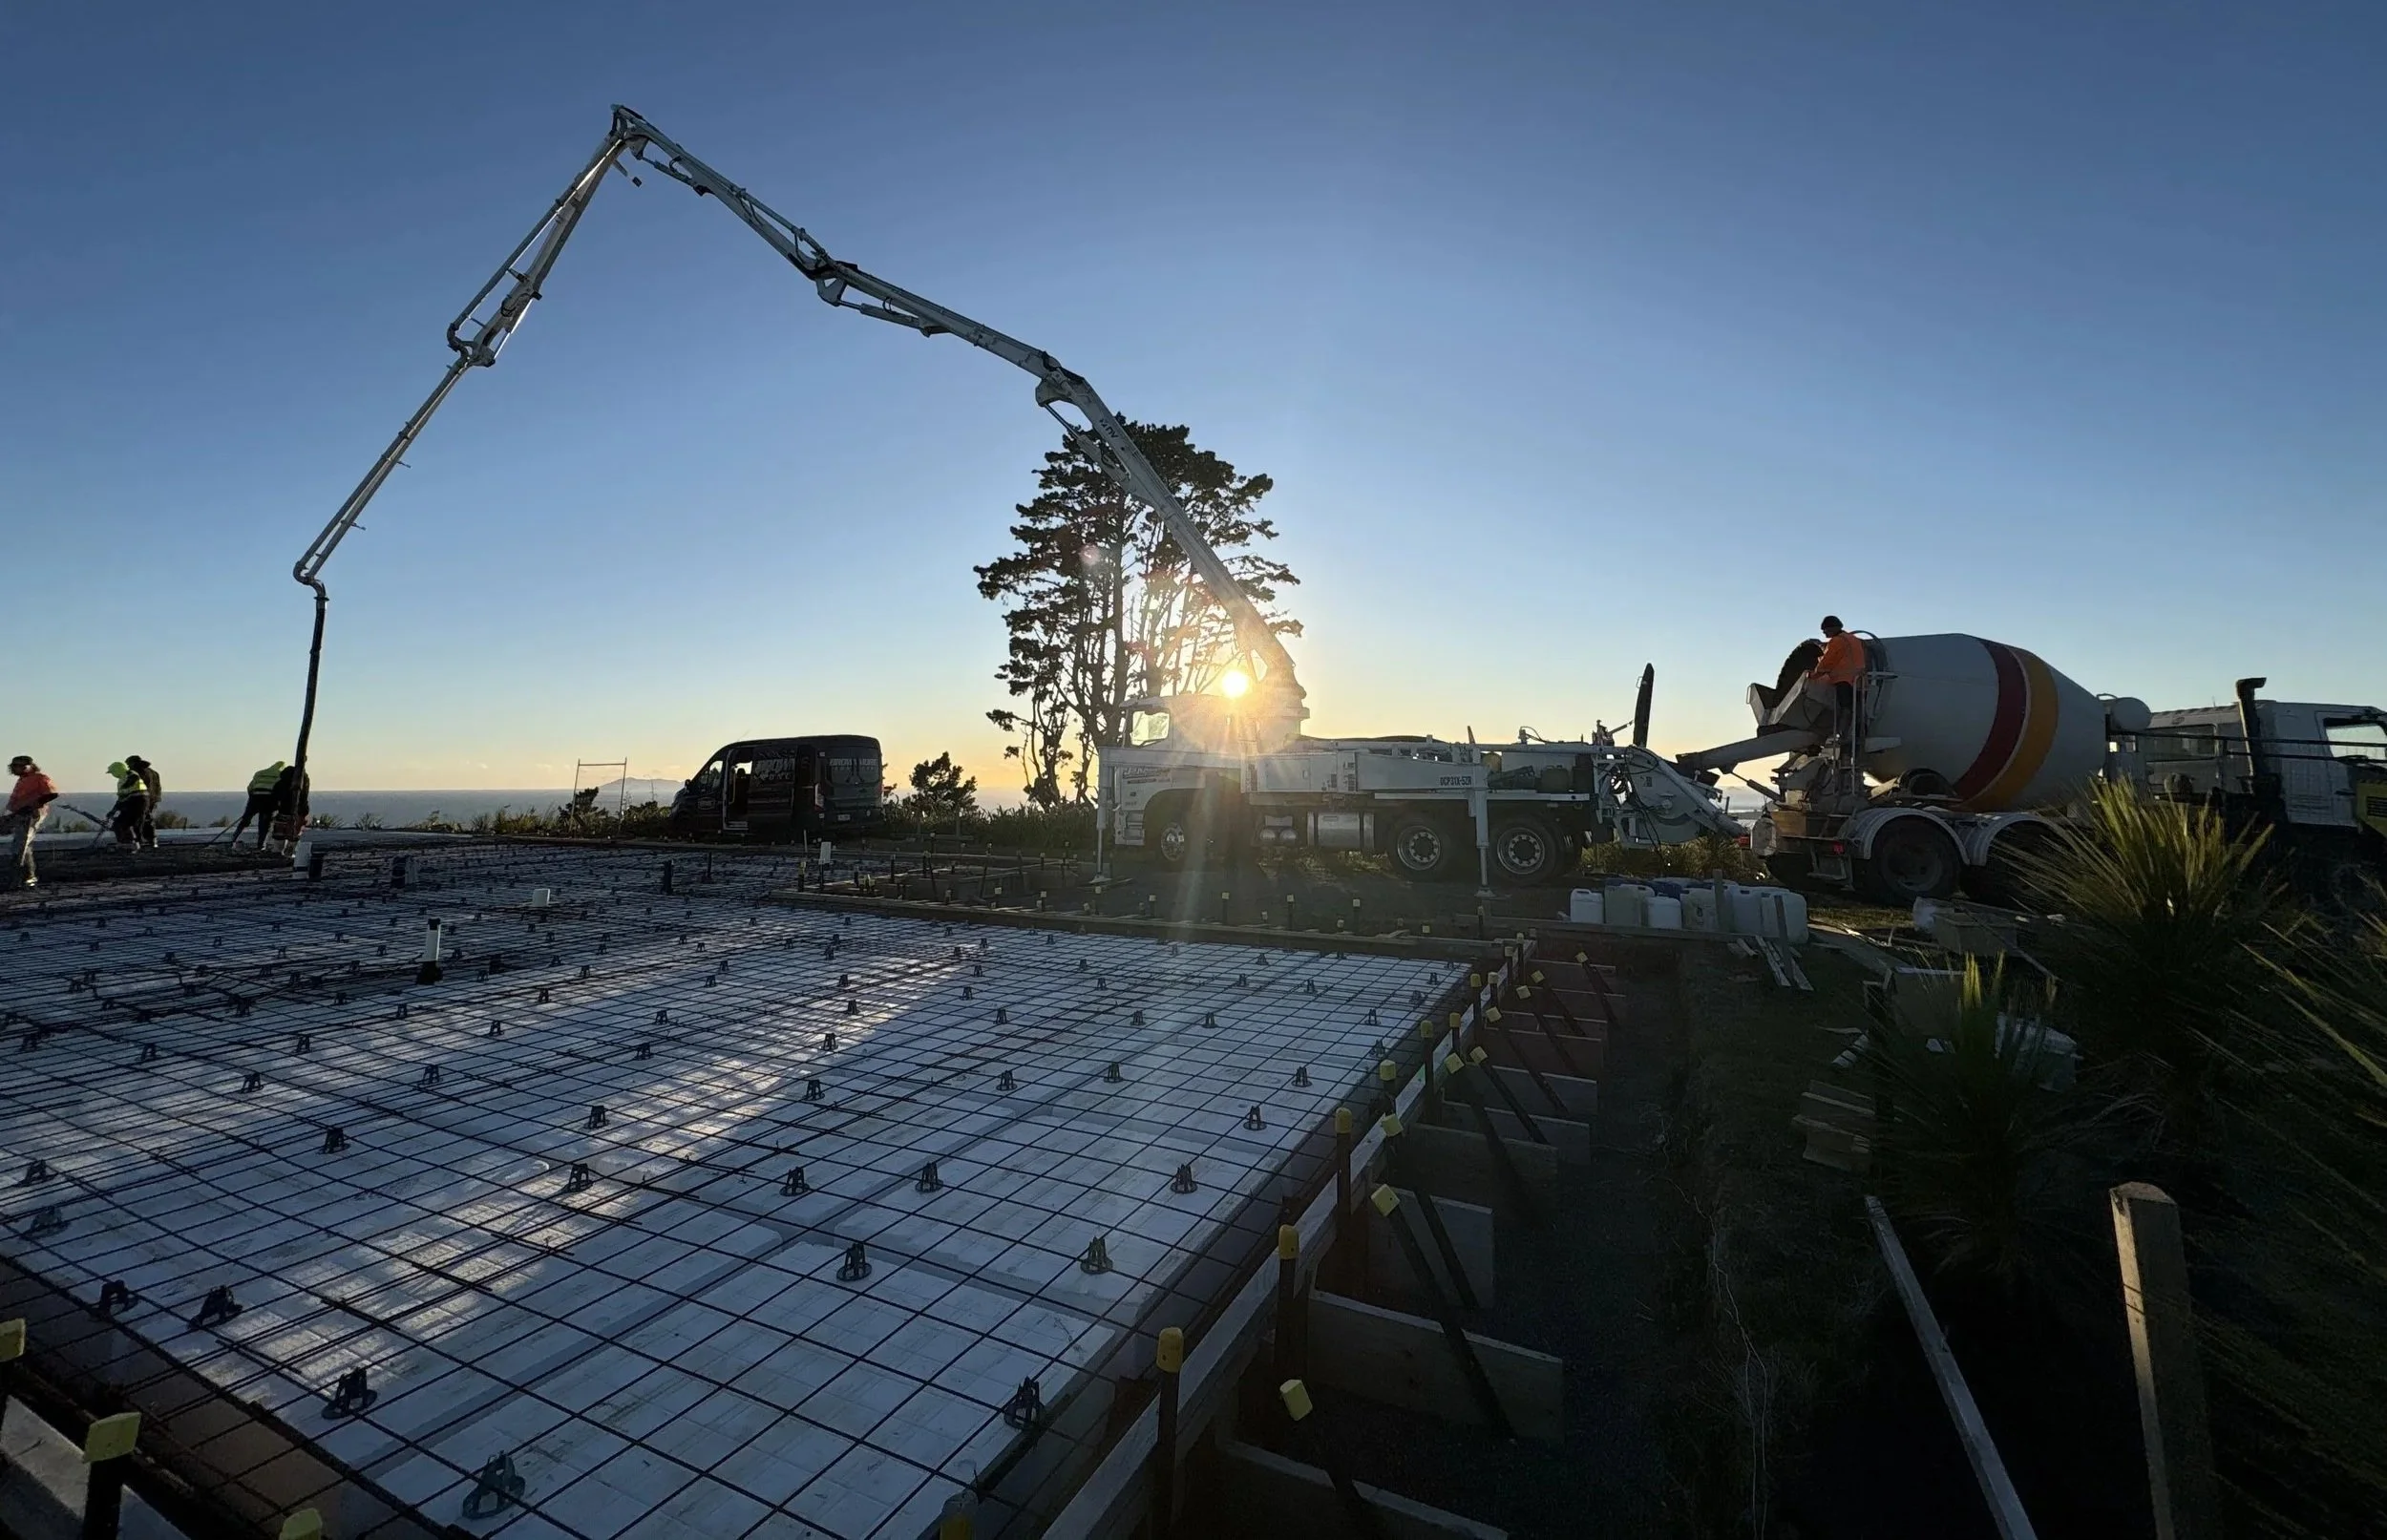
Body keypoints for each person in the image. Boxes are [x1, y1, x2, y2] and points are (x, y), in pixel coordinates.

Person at [1809, 615, 1868, 740]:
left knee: (1845, 708)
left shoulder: (1837, 641)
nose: (1824, 632)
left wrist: (1814, 675)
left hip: (1844, 680)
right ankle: (1860, 733)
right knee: (1857, 709)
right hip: (1858, 681)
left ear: (1832, 628)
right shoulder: (1854, 639)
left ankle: (1843, 734)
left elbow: (1828, 662)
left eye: (1825, 630)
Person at [7, 756, 57, 889]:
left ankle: (21, 878)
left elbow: (51, 793)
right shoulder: (22, 780)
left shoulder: (39, 778)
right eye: (15, 766)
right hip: (19, 814)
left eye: (21, 766)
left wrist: (33, 806)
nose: (17, 769)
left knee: (21, 845)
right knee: (23, 845)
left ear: (30, 766)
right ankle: (27, 877)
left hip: (31, 815)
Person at [231, 761, 285, 848]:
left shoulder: (259, 773)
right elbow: (280, 792)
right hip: (269, 800)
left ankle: (233, 838)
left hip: (255, 798)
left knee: (245, 819)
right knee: (264, 823)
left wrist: (252, 800)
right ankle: (261, 844)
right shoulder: (280, 776)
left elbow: (250, 787)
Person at [106, 760, 149, 851]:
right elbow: (122, 798)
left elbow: (124, 797)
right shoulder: (126, 778)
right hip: (138, 801)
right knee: (124, 823)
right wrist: (113, 810)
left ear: (117, 771)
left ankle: (128, 843)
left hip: (136, 802)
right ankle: (130, 842)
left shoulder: (130, 776)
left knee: (122, 823)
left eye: (113, 773)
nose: (113, 775)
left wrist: (115, 810)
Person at [125, 754, 161, 851]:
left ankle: (139, 841)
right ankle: (152, 840)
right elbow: (158, 788)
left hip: (142, 799)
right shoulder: (154, 773)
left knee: (138, 820)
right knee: (148, 820)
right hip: (153, 799)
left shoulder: (138, 772)